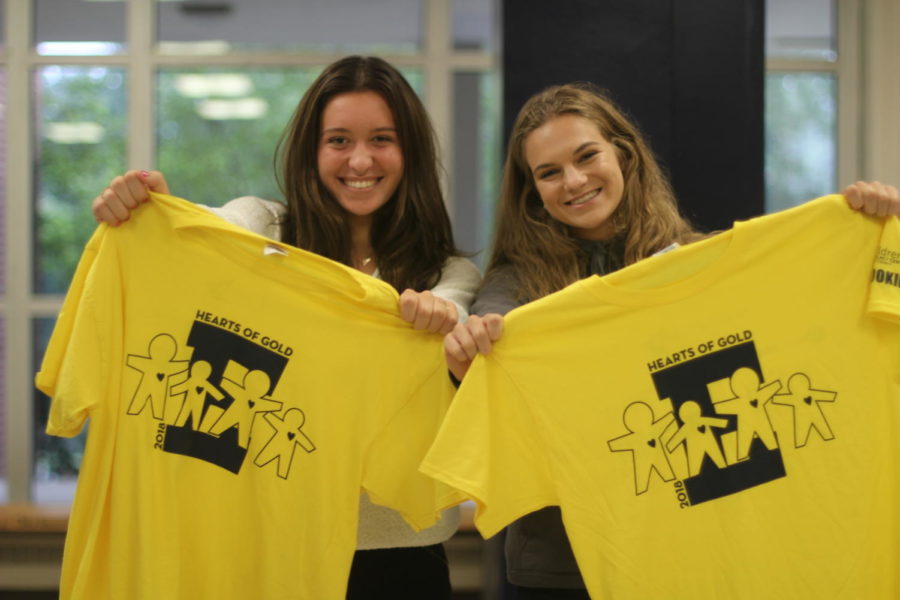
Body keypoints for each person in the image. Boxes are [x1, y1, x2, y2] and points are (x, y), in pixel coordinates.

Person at [442, 82, 900, 600]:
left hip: (690, 550)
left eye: (586, 155)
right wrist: (472, 353)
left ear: (625, 154)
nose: (573, 180)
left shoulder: (704, 264)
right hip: (563, 565)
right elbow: (491, 345)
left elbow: (817, 329)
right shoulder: (515, 284)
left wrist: (868, 233)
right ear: (533, 192)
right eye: (549, 173)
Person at [93, 55, 481, 600]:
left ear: (410, 152)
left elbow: (458, 313)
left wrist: (443, 320)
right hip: (269, 539)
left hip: (397, 553)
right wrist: (157, 207)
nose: (360, 159)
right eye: (339, 140)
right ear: (311, 151)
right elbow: (207, 234)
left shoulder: (447, 272)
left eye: (383, 139)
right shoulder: (266, 230)